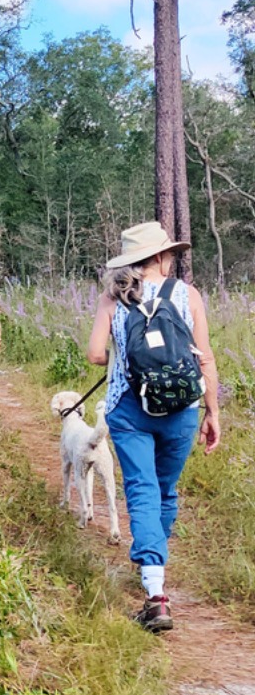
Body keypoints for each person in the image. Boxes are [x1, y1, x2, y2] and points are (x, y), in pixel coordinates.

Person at [87, 221, 221, 632]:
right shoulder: (188, 295)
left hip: (129, 410)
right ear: (163, 256)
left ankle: (155, 593)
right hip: (182, 410)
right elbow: (205, 359)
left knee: (141, 489)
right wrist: (212, 413)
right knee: (164, 490)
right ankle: (153, 563)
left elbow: (95, 355)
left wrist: (124, 354)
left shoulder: (114, 298)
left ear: (131, 260)